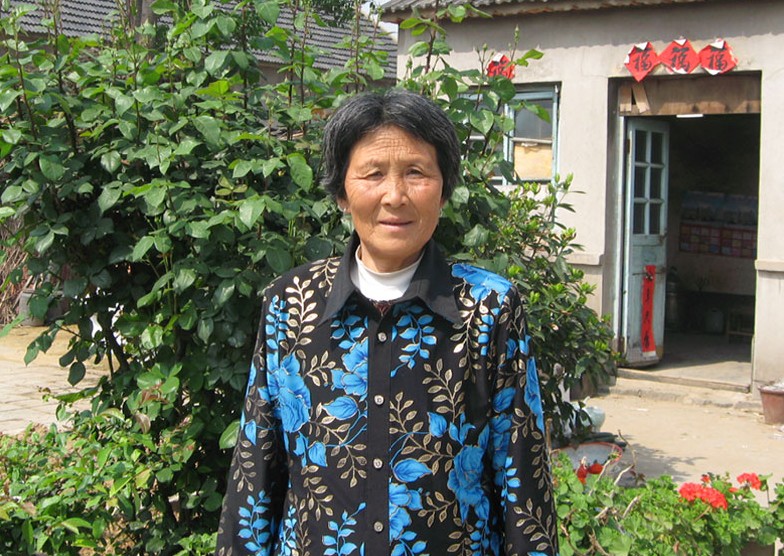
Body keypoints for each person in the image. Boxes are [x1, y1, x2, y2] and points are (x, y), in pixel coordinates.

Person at [215, 89, 558, 555]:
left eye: (416, 173)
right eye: (373, 174)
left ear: (444, 188)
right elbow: (255, 474)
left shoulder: (489, 308)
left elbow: (524, 484)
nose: (395, 196)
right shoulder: (290, 303)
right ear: (342, 191)